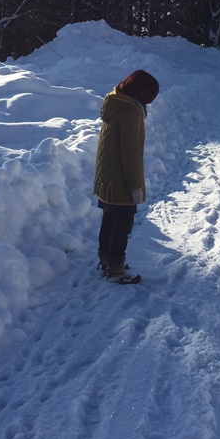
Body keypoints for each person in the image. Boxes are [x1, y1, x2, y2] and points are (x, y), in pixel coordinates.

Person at [93, 70, 158, 284]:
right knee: (122, 225)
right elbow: (131, 155)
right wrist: (136, 186)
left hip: (107, 178)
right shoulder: (130, 112)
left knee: (109, 220)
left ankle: (106, 259)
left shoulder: (115, 102)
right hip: (120, 182)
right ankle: (115, 269)